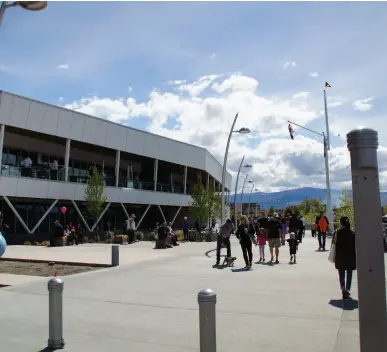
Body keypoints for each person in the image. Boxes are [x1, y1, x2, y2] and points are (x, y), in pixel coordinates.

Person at [334, 216, 356, 300]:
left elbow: (336, 246)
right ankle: (347, 289)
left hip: (340, 256)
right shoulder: (352, 233)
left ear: (341, 223)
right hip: (350, 256)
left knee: (341, 274)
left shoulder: (338, 232)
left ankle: (343, 288)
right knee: (349, 274)